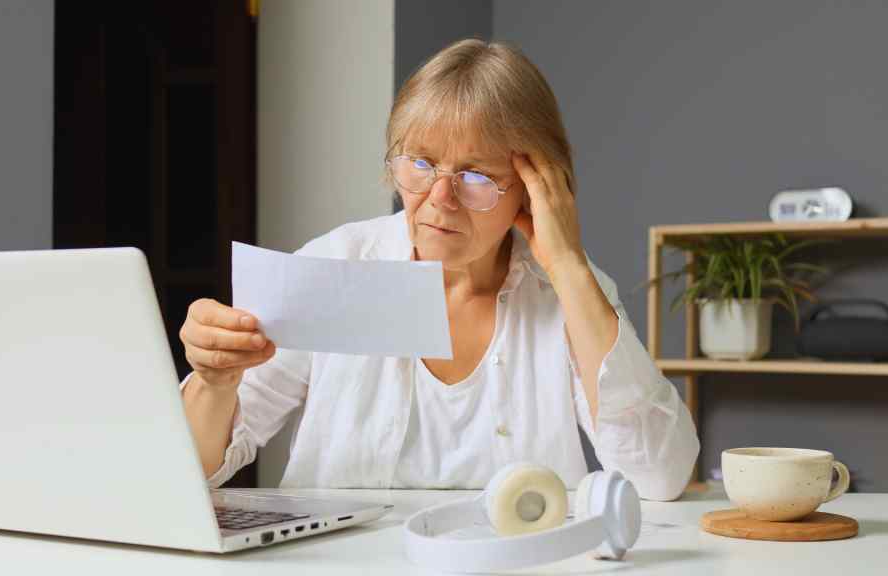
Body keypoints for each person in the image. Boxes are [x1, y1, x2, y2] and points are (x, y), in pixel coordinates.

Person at [179, 39, 699, 501]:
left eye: (476, 175)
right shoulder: (333, 263)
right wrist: (214, 382)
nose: (439, 199)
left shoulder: (567, 293)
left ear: (538, 187)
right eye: (420, 163)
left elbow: (658, 474)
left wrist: (567, 263)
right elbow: (191, 472)